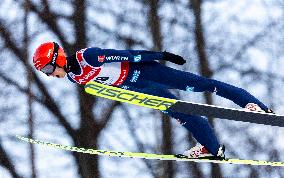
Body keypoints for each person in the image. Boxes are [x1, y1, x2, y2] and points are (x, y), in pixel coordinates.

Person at [32, 42, 273, 159]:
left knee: (205, 85)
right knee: (182, 113)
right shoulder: (74, 77)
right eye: (46, 72)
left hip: (147, 72)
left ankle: (256, 107)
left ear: (59, 57)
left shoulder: (89, 57)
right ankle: (212, 148)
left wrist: (162, 55)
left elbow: (129, 55)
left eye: (50, 68)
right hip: (138, 88)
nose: (51, 75)